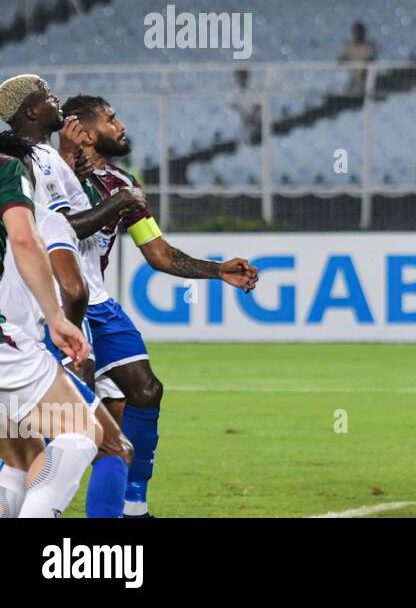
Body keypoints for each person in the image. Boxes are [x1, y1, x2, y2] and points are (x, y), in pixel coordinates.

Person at [50, 93, 259, 517]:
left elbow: (159, 253)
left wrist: (218, 270)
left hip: (98, 303)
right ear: (86, 131)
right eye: (111, 119)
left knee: (145, 391)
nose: (121, 126)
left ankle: (133, 506)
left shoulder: (124, 184)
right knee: (62, 416)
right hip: (52, 303)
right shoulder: (51, 172)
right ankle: (28, 497)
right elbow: (57, 229)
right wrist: (109, 198)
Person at [0, 129, 94, 518]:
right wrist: (57, 317)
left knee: (22, 455)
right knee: (78, 432)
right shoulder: (4, 170)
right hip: (2, 349)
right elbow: (23, 239)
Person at [338, 21, 378, 96]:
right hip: (353, 77)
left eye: (359, 32)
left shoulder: (369, 46)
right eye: (355, 32)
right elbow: (341, 58)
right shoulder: (349, 46)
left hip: (366, 78)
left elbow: (372, 57)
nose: (357, 34)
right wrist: (342, 60)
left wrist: (366, 66)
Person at [226, 68, 262, 146]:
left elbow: (258, 104)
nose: (242, 78)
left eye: (244, 75)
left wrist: (252, 116)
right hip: (241, 119)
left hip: (255, 118)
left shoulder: (255, 88)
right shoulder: (231, 90)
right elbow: (231, 105)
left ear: (247, 76)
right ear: (236, 77)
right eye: (239, 76)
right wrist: (243, 115)